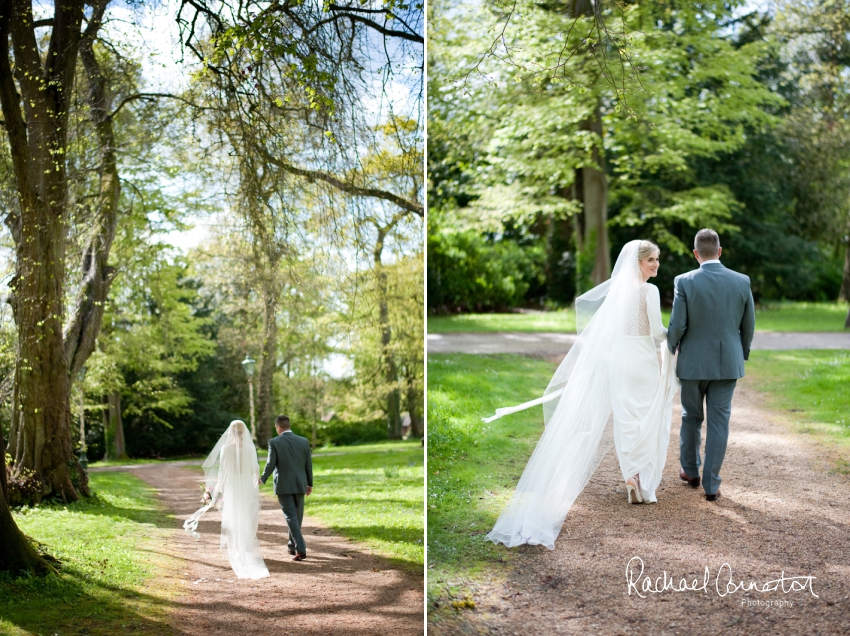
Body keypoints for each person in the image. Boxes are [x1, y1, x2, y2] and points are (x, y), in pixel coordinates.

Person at [482, 239, 679, 549]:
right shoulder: (649, 292)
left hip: (619, 362)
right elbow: (655, 331)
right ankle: (640, 478)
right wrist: (675, 336)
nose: (656, 265)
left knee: (625, 419)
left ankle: (630, 477)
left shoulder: (617, 292)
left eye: (657, 260)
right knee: (646, 416)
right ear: (638, 262)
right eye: (651, 260)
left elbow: (609, 333)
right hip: (642, 362)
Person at [667, 228, 755, 501]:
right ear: (719, 251)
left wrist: (670, 349)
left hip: (692, 363)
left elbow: (678, 324)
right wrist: (741, 353)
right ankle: (712, 485)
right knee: (719, 422)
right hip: (727, 363)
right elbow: (748, 325)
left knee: (690, 417)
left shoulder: (684, 281)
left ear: (695, 254)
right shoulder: (742, 281)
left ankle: (691, 471)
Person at [184, 420, 269, 579]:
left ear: (230, 432)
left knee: (233, 517)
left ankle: (237, 551)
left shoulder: (225, 449)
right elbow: (255, 470)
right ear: (244, 433)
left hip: (232, 485)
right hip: (245, 485)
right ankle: (244, 549)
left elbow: (223, 472)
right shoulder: (250, 449)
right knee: (245, 517)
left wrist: (216, 491)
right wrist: (253, 486)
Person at [260, 415, 313, 561]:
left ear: (278, 427)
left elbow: (270, 463)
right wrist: (309, 484)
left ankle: (301, 549)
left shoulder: (274, 442)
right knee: (297, 517)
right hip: (300, 484)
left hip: (283, 484)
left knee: (291, 517)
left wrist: (263, 478)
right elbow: (308, 465)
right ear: (288, 425)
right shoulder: (303, 441)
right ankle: (291, 545)